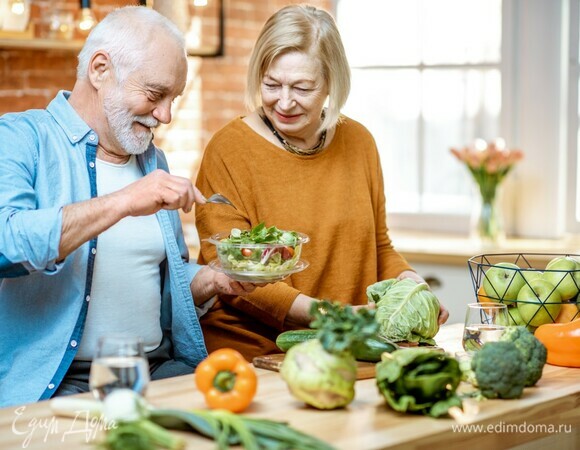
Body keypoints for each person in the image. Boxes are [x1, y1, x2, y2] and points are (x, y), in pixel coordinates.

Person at [0, 6, 256, 408]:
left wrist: (213, 279)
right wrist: (123, 202)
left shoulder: (152, 162)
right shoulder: (19, 138)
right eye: (155, 95)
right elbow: (6, 244)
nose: (166, 115)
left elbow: (150, 282)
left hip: (159, 370)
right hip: (62, 383)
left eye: (173, 99)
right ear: (100, 69)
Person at [195, 4, 449, 360]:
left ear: (331, 82)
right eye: (271, 84)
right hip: (255, 353)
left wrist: (413, 287)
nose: (283, 102)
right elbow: (231, 272)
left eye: (302, 87)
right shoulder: (229, 149)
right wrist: (330, 316)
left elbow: (379, 246)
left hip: (347, 347)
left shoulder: (359, 142)